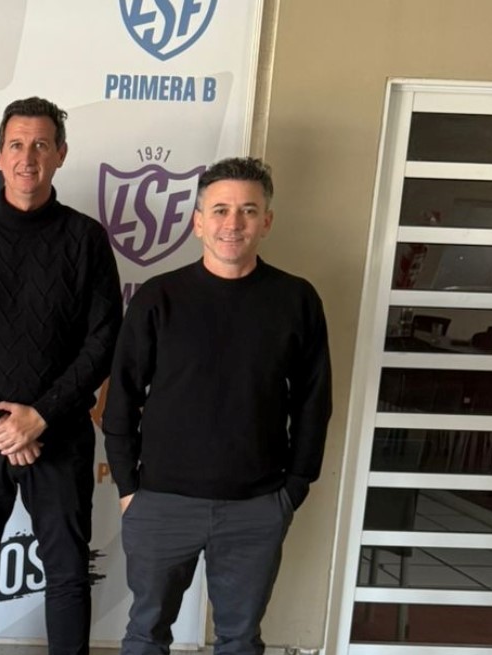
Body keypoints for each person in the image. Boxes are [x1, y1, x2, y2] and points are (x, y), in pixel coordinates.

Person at [102, 157, 332, 655]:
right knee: (145, 635)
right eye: (221, 210)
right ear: (198, 222)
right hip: (160, 501)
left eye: (248, 210)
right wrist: (128, 489)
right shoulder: (158, 297)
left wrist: (295, 487)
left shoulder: (296, 299)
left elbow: (314, 401)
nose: (234, 223)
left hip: (257, 505)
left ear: (266, 221)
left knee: (240, 640)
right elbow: (121, 397)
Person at [0, 97, 123, 655]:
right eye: (16, 144)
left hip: (59, 434)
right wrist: (1, 425)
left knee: (68, 574)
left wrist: (39, 417)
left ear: (61, 154)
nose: (28, 157)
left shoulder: (86, 239)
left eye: (41, 144)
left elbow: (103, 340)